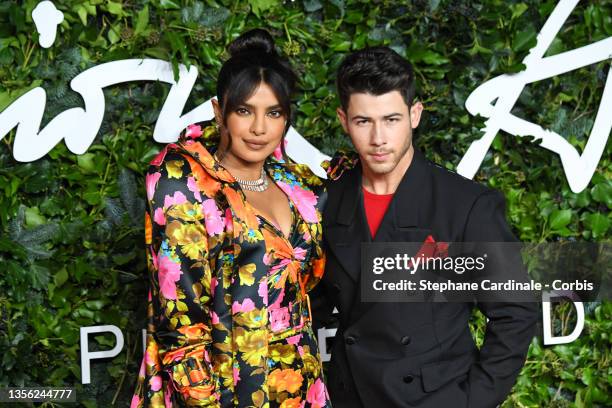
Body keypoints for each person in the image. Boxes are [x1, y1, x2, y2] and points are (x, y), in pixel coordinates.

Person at [313, 47, 538, 407]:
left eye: (391, 120)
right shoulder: (327, 199)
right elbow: (312, 301)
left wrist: (471, 401)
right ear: (343, 120)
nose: (378, 139)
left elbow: (516, 311)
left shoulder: (467, 205)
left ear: (414, 114)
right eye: (363, 121)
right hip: (349, 395)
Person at [131, 29, 331, 407]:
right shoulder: (182, 181)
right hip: (222, 387)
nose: (260, 128)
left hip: (298, 384)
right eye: (244, 110)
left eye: (273, 113)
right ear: (218, 110)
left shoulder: (295, 184)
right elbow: (180, 321)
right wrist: (203, 399)